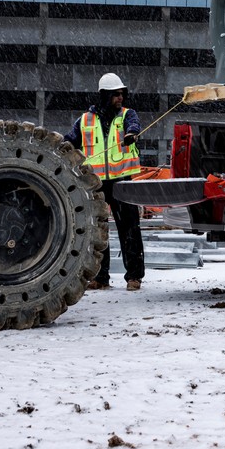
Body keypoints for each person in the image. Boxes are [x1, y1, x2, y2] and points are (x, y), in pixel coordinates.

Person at [66, 72, 145, 291]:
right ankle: (100, 277)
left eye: (122, 94)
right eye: (116, 94)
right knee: (97, 231)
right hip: (95, 183)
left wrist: (132, 134)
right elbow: (68, 143)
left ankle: (134, 276)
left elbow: (134, 126)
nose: (120, 98)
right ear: (104, 96)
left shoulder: (127, 115)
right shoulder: (84, 121)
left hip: (122, 181)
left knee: (129, 229)